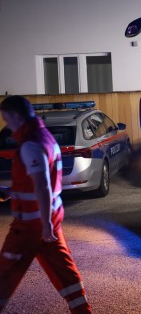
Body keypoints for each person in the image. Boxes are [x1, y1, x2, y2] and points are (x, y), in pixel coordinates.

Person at [0, 96, 92, 313]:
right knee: (65, 273)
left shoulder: (30, 144)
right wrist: (12, 192)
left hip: (31, 226)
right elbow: (41, 184)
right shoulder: (45, 137)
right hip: (48, 220)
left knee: (5, 275)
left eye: (6, 118)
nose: (6, 124)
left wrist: (44, 226)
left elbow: (42, 186)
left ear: (16, 116)